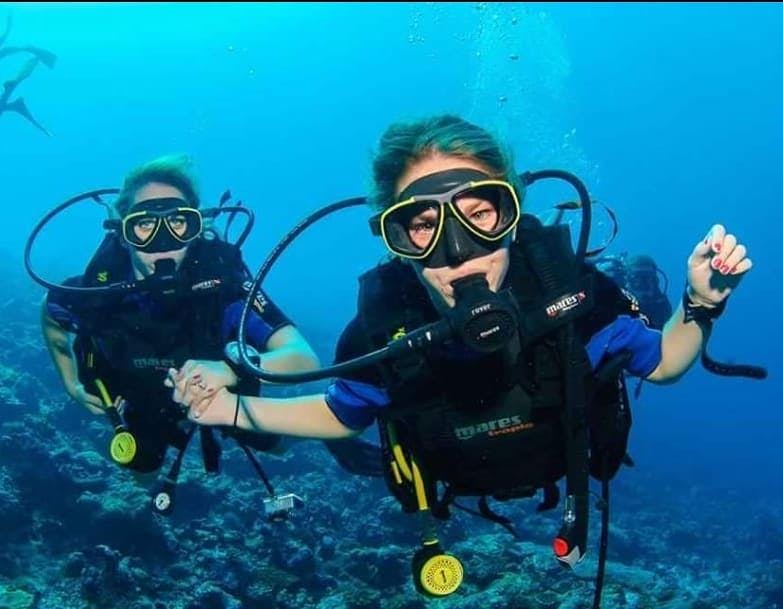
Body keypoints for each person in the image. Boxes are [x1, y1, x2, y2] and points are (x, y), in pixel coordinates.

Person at [167, 115, 755, 600]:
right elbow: (342, 412)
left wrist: (700, 304)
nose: (456, 253)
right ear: (395, 241)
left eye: (479, 214)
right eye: (422, 225)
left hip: (565, 468)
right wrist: (231, 411)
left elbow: (664, 362)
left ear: (513, 215)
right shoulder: (383, 325)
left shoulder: (572, 292)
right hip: (453, 486)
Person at [40, 155, 378, 514]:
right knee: (140, 473)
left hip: (224, 393)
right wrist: (73, 385)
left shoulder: (224, 290)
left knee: (278, 445)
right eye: (144, 226)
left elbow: (301, 356)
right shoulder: (96, 294)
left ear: (197, 227)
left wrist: (232, 370)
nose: (163, 242)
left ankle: (324, 434)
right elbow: (51, 315)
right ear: (122, 233)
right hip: (142, 398)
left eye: (178, 223)